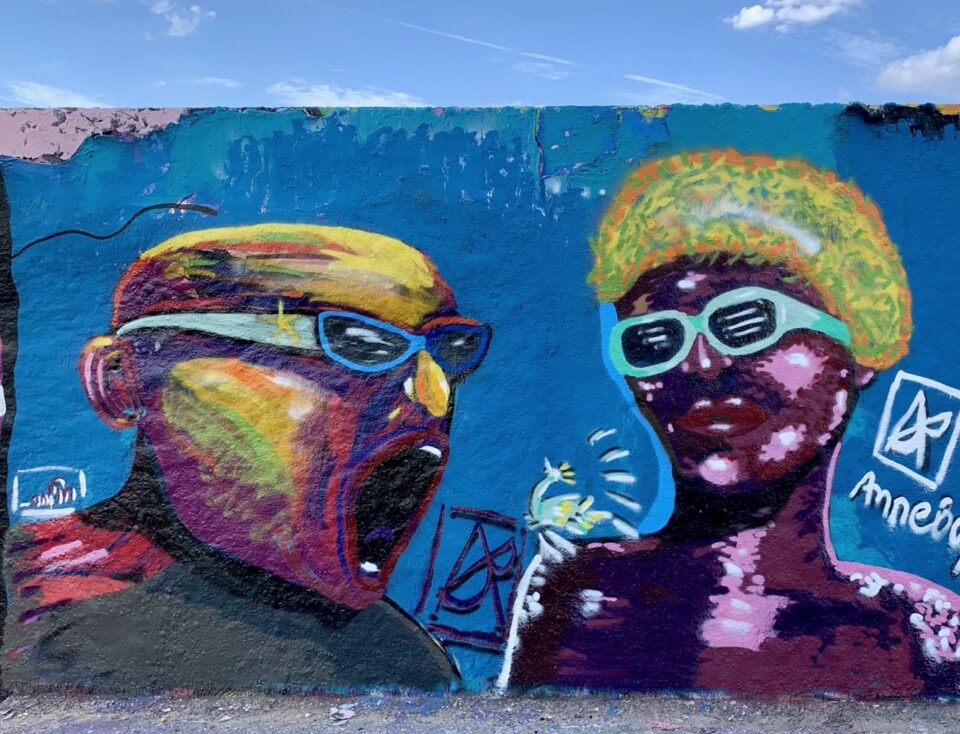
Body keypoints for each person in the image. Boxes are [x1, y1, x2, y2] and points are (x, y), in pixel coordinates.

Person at [506, 149, 960, 696]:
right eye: (654, 340)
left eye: (747, 321)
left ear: (859, 346)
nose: (698, 365)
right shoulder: (573, 595)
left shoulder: (921, 636)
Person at [3, 223, 490, 691]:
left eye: (451, 350)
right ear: (119, 380)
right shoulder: (24, 597)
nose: (435, 397)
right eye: (358, 343)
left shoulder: (408, 667)